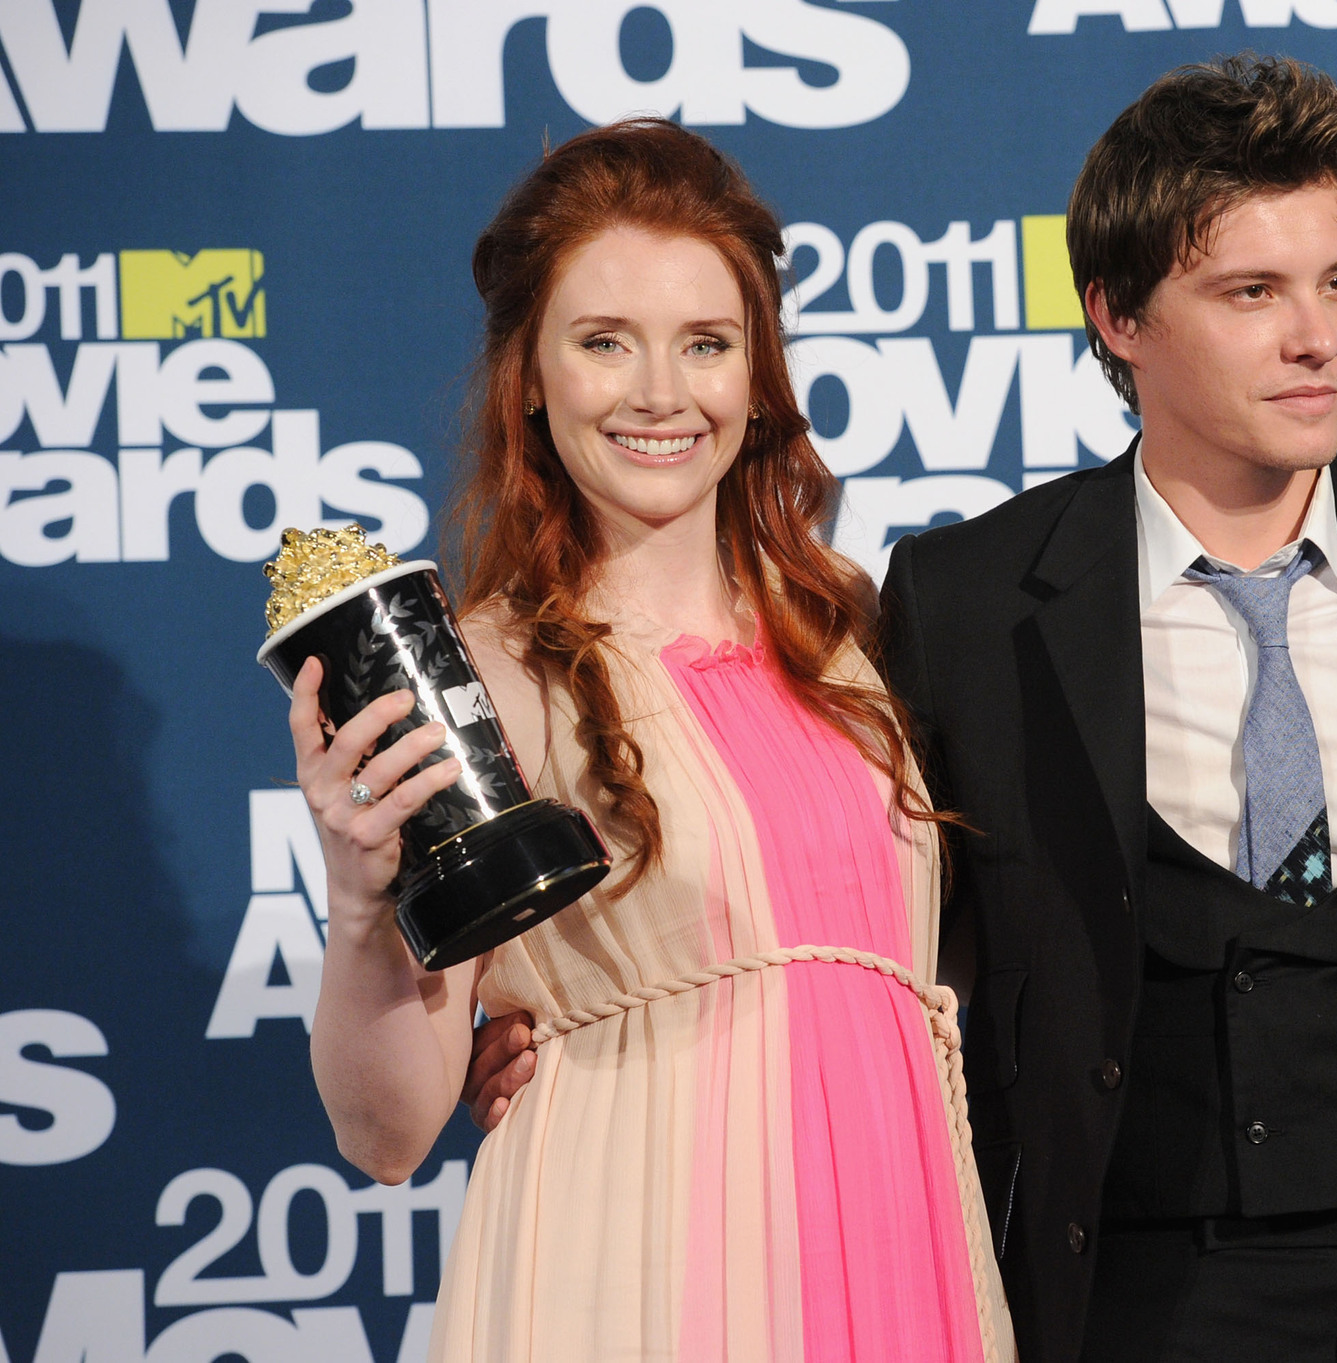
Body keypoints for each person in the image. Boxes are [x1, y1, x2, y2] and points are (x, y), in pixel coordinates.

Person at [467, 60, 1337, 1363]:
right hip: (1146, 1301)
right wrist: (542, 1015)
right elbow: (857, 903)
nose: (1315, 341)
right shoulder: (966, 599)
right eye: (1252, 294)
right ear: (1119, 315)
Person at [294, 119, 1012, 1363]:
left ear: (757, 370)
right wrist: (365, 909)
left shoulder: (850, 633)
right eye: (603, 342)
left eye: (705, 344)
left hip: (902, 1256)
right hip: (637, 1269)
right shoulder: (483, 678)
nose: (660, 394)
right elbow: (390, 1133)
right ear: (528, 373)